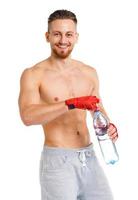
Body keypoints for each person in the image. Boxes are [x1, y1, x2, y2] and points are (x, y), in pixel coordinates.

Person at [18, 9, 118, 200]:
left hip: (89, 158)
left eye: (68, 34)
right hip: (58, 161)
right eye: (57, 34)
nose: (63, 40)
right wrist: (70, 104)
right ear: (47, 36)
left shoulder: (89, 72)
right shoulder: (33, 74)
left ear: (76, 37)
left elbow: (98, 109)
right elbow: (27, 116)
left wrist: (109, 127)